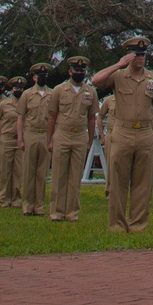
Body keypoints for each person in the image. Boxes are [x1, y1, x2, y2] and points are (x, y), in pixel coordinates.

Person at [93, 36, 153, 234]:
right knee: (118, 182)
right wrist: (118, 64)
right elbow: (96, 80)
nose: (140, 58)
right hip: (122, 132)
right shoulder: (118, 76)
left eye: (143, 55)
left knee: (143, 184)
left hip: (144, 132)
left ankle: (138, 225)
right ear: (129, 55)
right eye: (136, 55)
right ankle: (117, 225)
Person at [47, 56, 98, 222]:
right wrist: (49, 139)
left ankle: (72, 212)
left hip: (80, 135)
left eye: (82, 71)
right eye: (76, 70)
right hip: (62, 133)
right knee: (59, 175)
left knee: (75, 177)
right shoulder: (59, 90)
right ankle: (57, 212)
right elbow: (52, 116)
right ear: (70, 71)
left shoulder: (90, 92)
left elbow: (91, 118)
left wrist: (90, 141)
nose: (79, 73)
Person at [17, 62, 52, 216]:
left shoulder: (53, 94)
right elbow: (20, 117)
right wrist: (20, 138)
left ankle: (39, 206)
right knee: (28, 171)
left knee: (42, 172)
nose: (42, 78)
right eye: (40, 76)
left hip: (45, 134)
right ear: (34, 77)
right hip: (30, 133)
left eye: (45, 75)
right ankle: (27, 205)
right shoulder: (26, 94)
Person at [0, 76, 26, 208]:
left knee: (18, 171)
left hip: (20, 140)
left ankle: (16, 198)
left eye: (21, 88)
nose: (19, 90)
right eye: (16, 88)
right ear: (11, 90)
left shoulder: (25, 103)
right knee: (5, 170)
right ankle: (4, 198)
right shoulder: (4, 104)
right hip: (6, 139)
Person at [98, 91, 115, 197]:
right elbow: (99, 116)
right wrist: (102, 135)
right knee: (110, 162)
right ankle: (109, 190)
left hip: (126, 134)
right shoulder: (109, 100)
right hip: (111, 134)